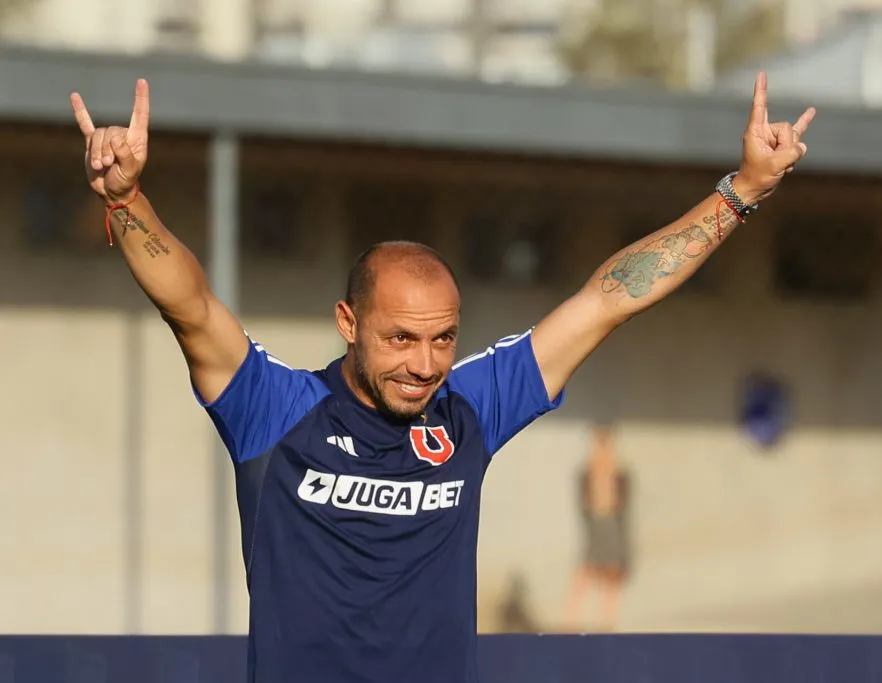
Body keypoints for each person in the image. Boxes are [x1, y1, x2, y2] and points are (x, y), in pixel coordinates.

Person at [68, 72, 814, 683]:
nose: (424, 364)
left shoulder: (470, 409)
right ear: (347, 322)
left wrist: (741, 191)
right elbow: (189, 306)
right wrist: (126, 200)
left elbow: (607, 299)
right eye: (399, 338)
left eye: (442, 339)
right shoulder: (273, 409)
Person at [563, 425, 631, 632]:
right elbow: (587, 500)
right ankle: (570, 619)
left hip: (610, 525)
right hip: (596, 525)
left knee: (611, 575)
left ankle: (607, 621)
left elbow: (620, 504)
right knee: (586, 571)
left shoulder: (617, 471)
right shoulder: (589, 470)